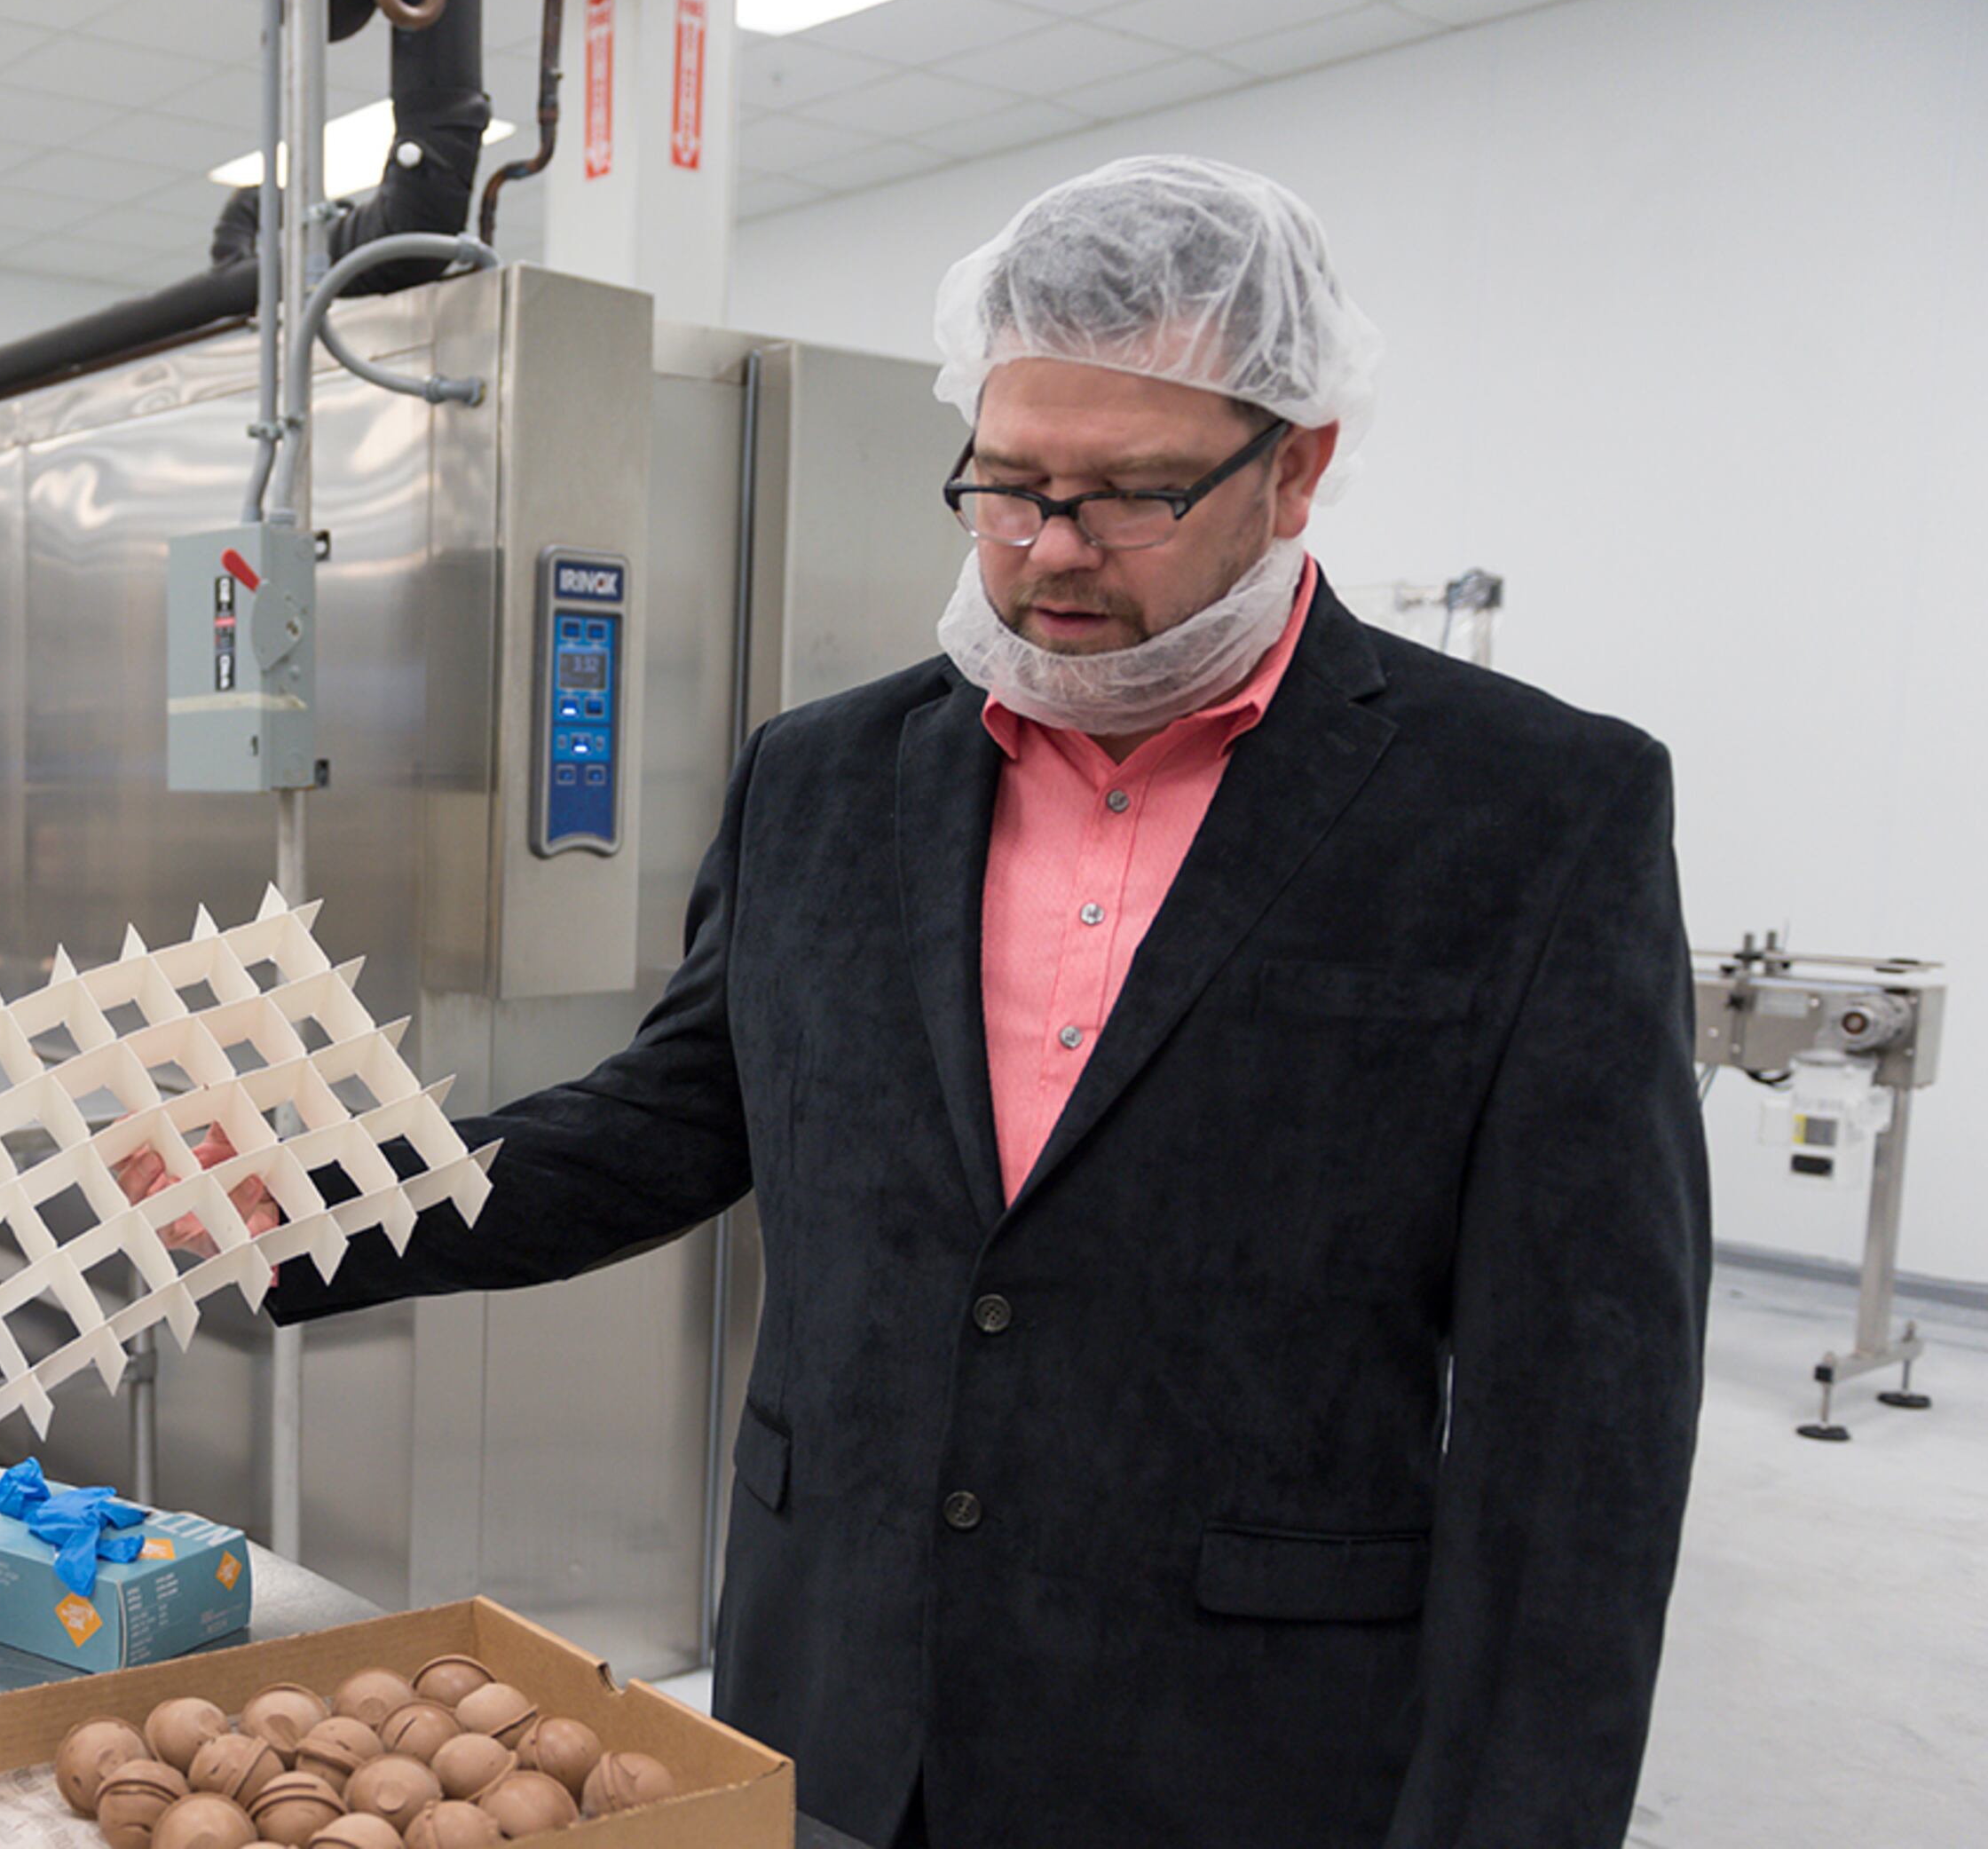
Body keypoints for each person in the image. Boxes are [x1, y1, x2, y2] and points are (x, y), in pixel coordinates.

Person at [132, 157, 1709, 1847]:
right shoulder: (825, 778)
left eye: (1129, 495)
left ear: (1299, 465)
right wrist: (312, 1199)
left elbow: (1586, 1424)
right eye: (1009, 482)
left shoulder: (1533, 810)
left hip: (1247, 1743)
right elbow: (672, 1120)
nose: (1049, 552)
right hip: (843, 1691)